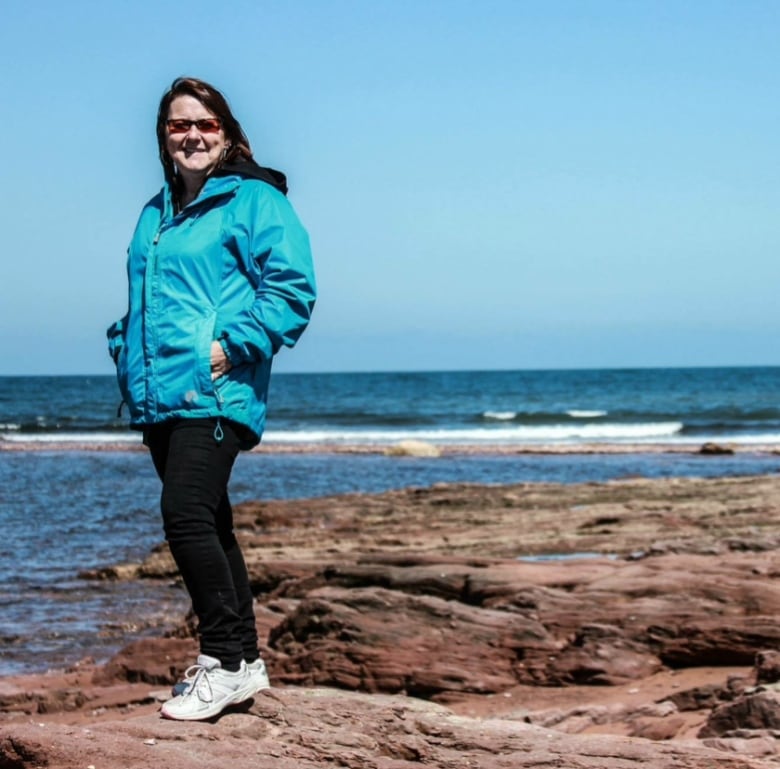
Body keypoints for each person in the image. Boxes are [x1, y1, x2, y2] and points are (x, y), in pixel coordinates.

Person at [107, 77, 316, 721]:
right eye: (179, 126)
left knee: (185, 516)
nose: (192, 136)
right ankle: (246, 660)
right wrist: (123, 347)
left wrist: (226, 347)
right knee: (213, 523)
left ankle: (221, 660)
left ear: (225, 133)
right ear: (164, 137)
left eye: (205, 124)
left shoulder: (255, 201)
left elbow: (292, 290)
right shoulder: (155, 211)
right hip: (157, 394)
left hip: (213, 390)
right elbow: (148, 299)